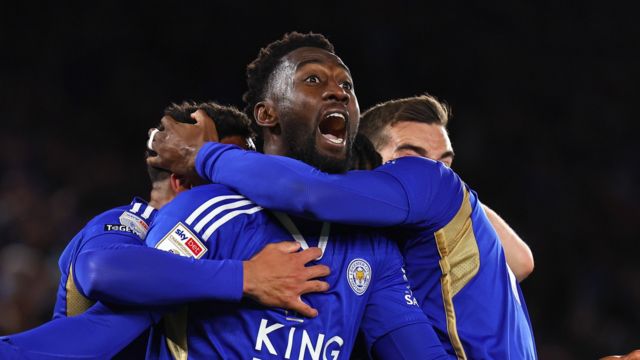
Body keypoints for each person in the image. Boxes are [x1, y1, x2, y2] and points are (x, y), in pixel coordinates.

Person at [148, 31, 537, 359]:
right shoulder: (213, 212)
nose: (336, 93)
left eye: (347, 86)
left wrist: (204, 154)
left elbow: (310, 193)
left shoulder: (386, 231)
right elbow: (109, 291)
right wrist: (241, 277)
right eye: (314, 80)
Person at [0, 102, 330, 359]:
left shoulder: (227, 251)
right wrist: (246, 277)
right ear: (182, 181)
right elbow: (99, 270)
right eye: (231, 174)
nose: (250, 189)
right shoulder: (128, 225)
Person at [359, 94, 534, 281]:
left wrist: (457, 195)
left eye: (444, 166)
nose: (434, 179)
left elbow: (519, 263)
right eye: (411, 160)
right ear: (366, 161)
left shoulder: (436, 240)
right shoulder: (332, 231)